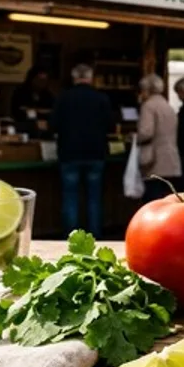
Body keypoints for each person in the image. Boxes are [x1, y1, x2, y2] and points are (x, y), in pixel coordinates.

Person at [49, 64, 113, 237]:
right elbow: (110, 125)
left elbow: (53, 125)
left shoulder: (63, 98)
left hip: (69, 153)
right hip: (95, 153)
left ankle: (70, 238)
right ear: (91, 78)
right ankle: (95, 237)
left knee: (70, 198)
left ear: (74, 77)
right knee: (94, 199)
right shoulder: (101, 98)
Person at [136, 74, 182, 201]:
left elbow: (146, 132)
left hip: (154, 160)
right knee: (167, 199)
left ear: (146, 90)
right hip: (171, 158)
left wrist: (134, 138)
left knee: (152, 200)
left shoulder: (148, 106)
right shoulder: (168, 106)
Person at [10, 66, 55, 136]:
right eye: (39, 80)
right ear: (32, 79)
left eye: (45, 81)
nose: (42, 83)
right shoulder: (20, 92)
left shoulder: (48, 95)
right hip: (23, 129)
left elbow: (51, 111)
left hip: (43, 131)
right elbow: (17, 111)